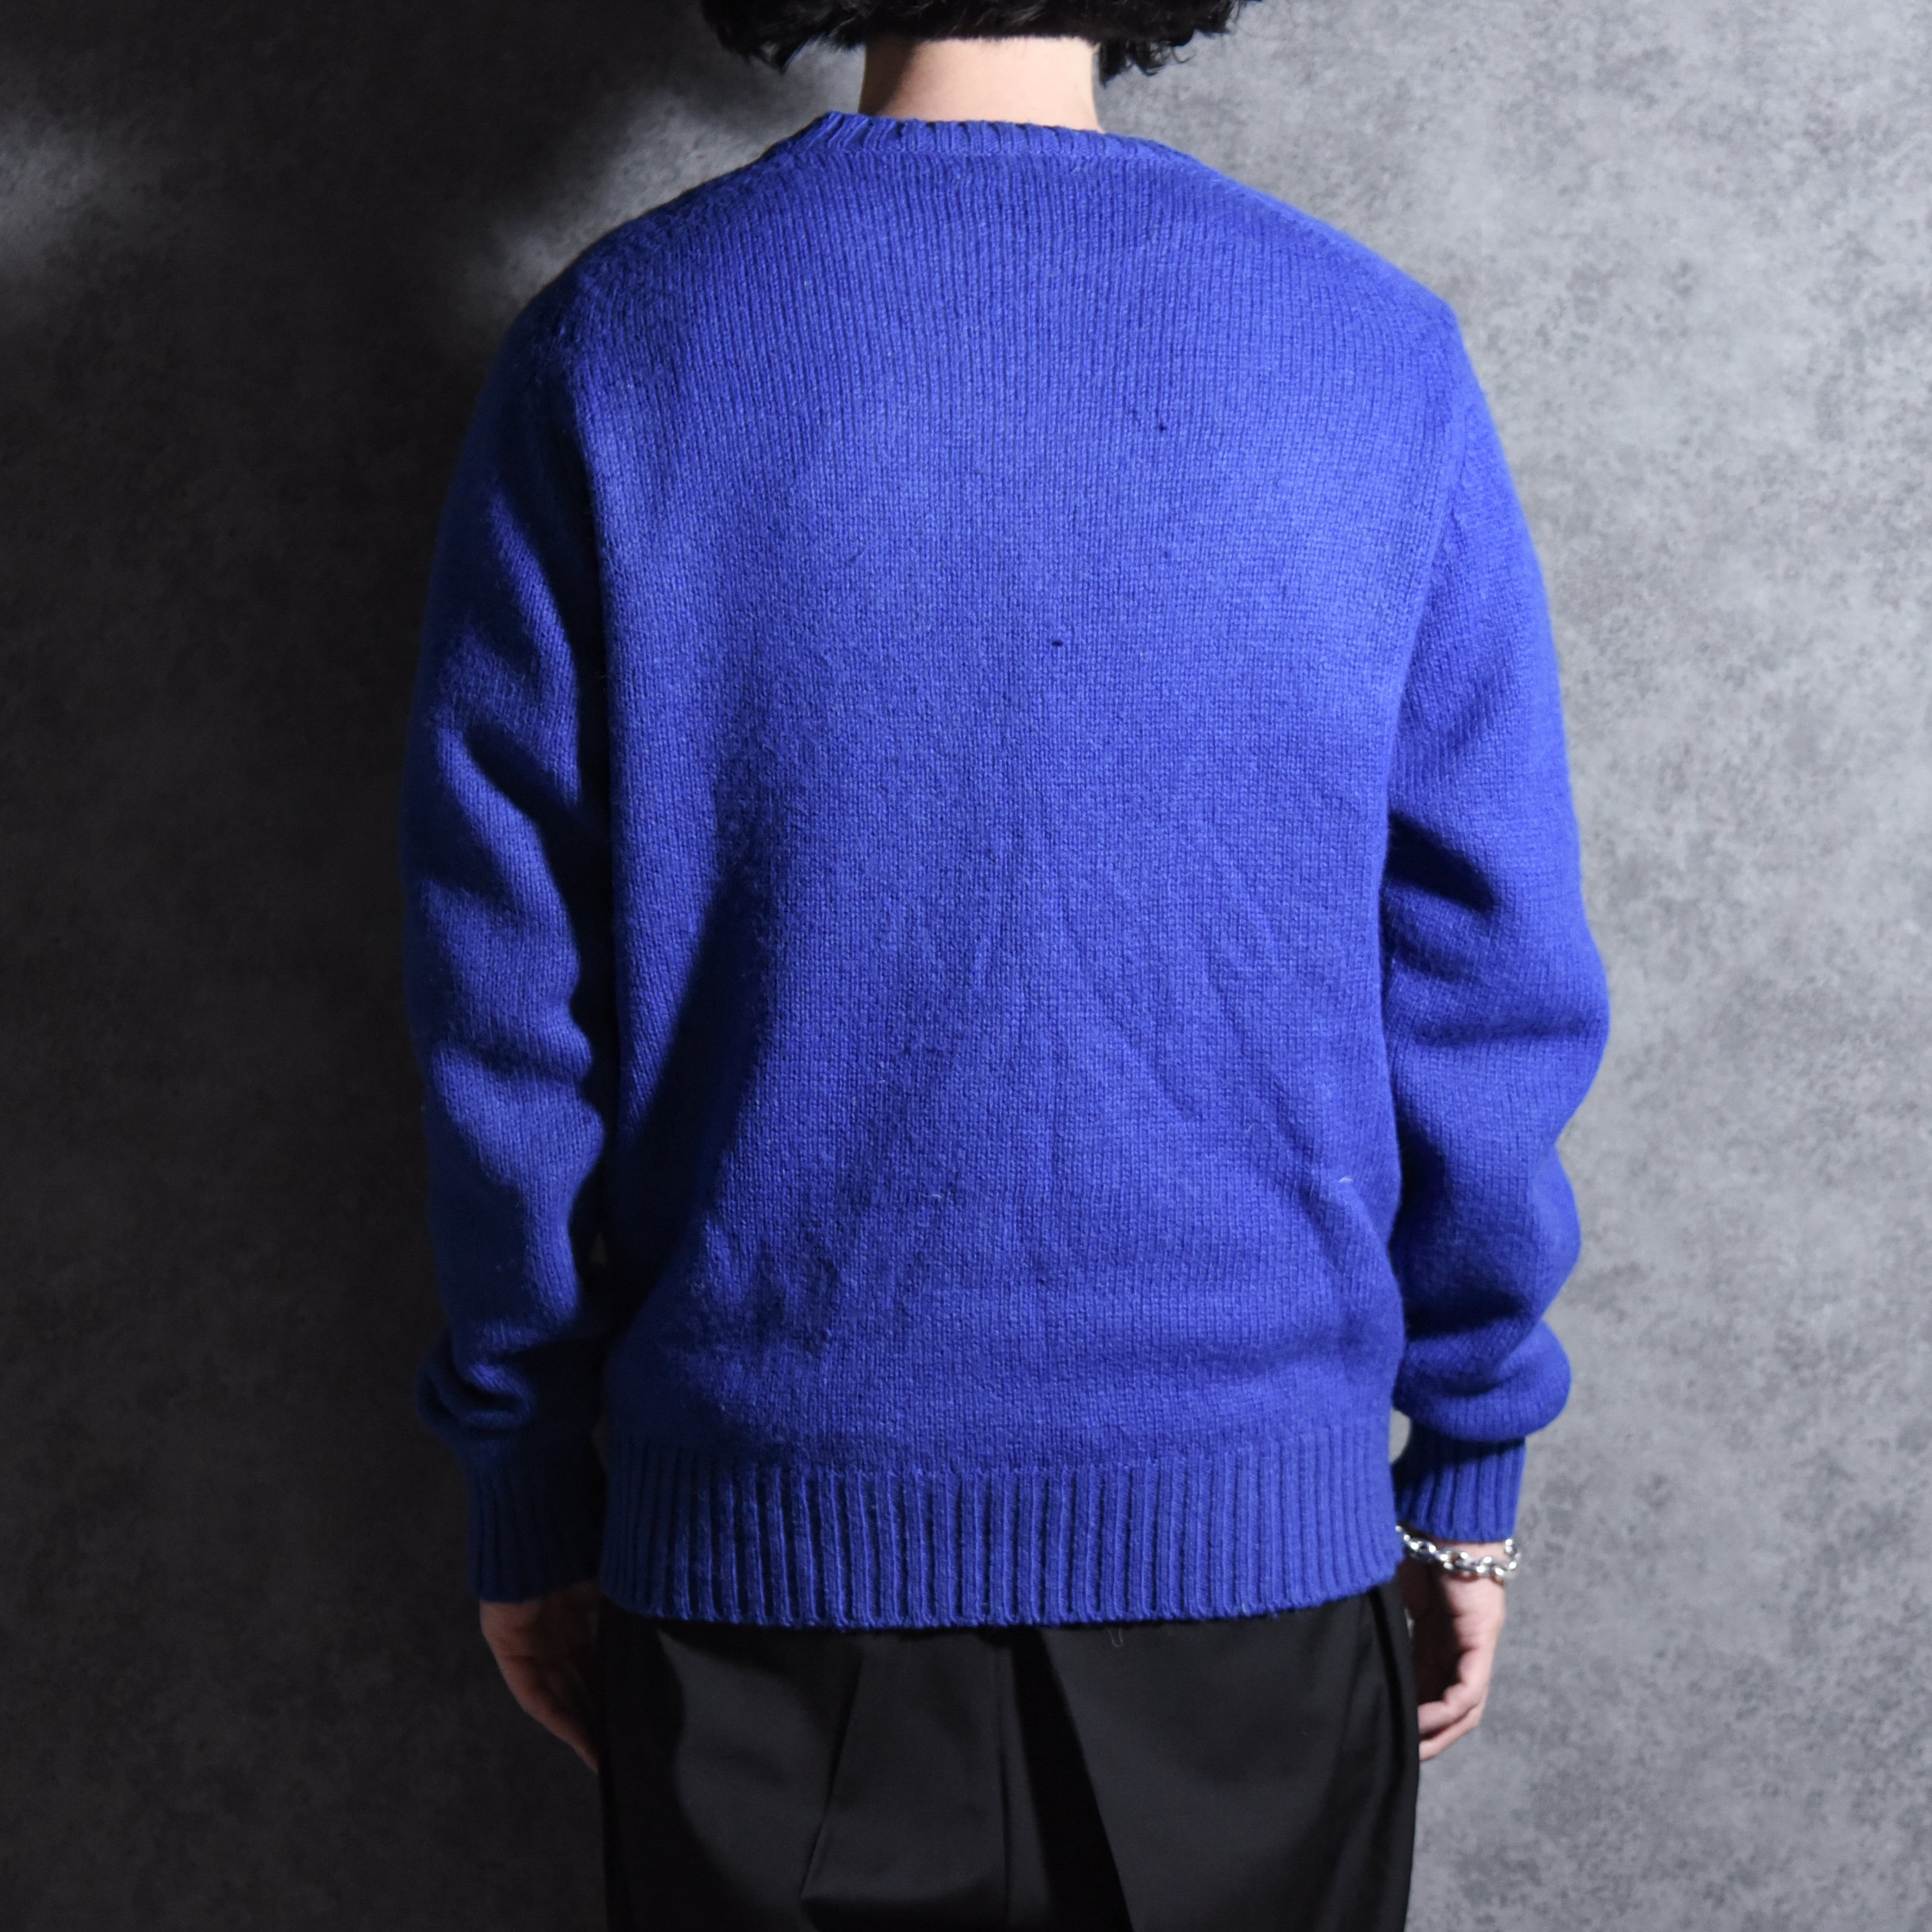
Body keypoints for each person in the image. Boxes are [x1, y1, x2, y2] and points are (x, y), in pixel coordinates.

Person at [398, 7, 1611, 1927]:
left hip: (763, 1574)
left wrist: (529, 1467)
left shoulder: (617, 344)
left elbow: (503, 1009)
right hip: (1247, 1573)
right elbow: (1485, 970)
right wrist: (1467, 1456)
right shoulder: (1372, 353)